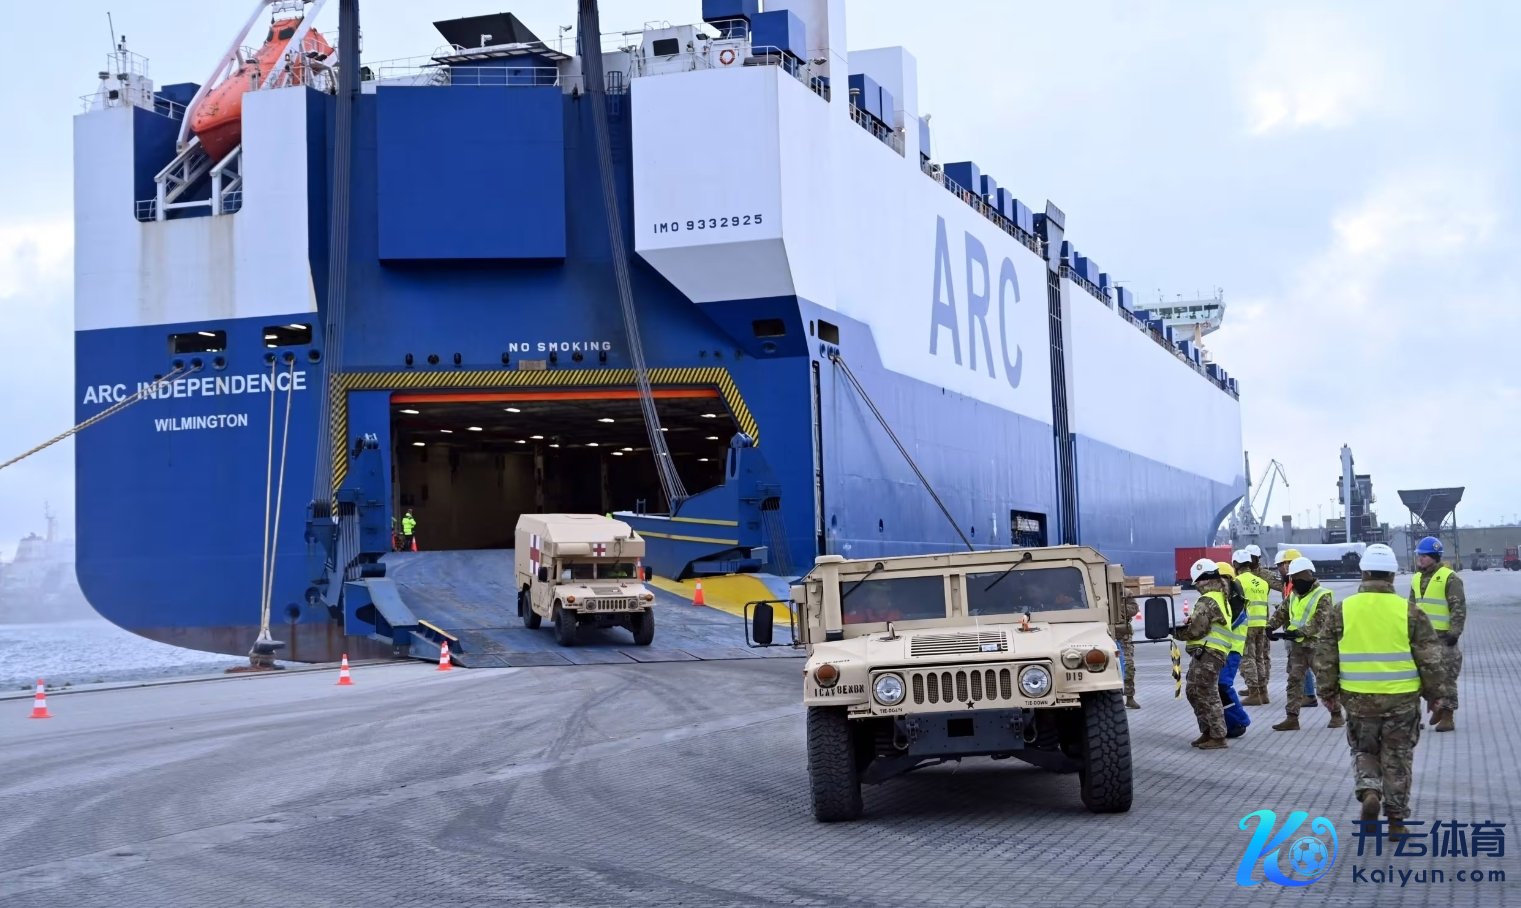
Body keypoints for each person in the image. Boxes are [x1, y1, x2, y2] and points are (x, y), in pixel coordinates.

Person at [1313, 543, 1445, 840]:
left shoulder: (1342, 609)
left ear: (1364, 573)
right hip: (1402, 700)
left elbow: (1324, 655)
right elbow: (1431, 658)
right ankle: (1396, 821)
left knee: (1365, 750)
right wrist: (1437, 696)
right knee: (1398, 759)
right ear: (1393, 576)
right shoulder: (1409, 611)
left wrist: (1327, 691)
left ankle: (1369, 791)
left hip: (1358, 700)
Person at [1173, 558, 1243, 749]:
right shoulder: (1220, 596)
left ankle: (1218, 735)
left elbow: (1197, 629)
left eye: (1196, 583)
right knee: (1194, 691)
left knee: (1207, 692)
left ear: (1203, 580)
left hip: (1209, 654)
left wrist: (1175, 631)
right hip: (1207, 653)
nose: (1195, 587)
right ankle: (1208, 731)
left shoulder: (1209, 599)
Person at [1267, 556, 1343, 730]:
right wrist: (1270, 626)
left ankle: (1336, 714)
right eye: (1294, 578)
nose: (1295, 582)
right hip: (1298, 647)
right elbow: (1282, 612)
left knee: (1325, 683)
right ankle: (1292, 718)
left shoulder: (1322, 595)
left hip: (1317, 647)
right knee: (1294, 682)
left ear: (1307, 576)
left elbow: (1320, 620)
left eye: (1298, 578)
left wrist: (1299, 632)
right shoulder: (1294, 595)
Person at [1408, 536, 1465, 732]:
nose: (1420, 559)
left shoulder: (1450, 578)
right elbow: (1410, 607)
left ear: (1434, 557)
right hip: (1422, 638)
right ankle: (1436, 707)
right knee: (1421, 678)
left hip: (1444, 638)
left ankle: (1447, 716)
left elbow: (1458, 606)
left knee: (1447, 677)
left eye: (1424, 556)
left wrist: (1454, 633)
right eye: (1419, 556)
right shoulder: (1416, 578)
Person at [1275, 548, 1317, 707]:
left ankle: (1308, 694)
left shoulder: (1297, 583)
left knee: (1303, 666)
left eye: (1283, 564)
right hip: (1293, 631)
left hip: (1303, 634)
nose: (1281, 568)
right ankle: (1306, 695)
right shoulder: (1289, 582)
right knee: (1298, 667)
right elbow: (1287, 608)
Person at [1216, 560, 1252, 737]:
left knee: (1223, 685)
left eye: (1221, 578)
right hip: (1223, 651)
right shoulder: (1226, 599)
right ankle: (1228, 723)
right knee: (1218, 687)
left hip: (1231, 651)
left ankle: (1240, 720)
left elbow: (1227, 624)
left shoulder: (1235, 602)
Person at [1235, 549, 1274, 705]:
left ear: (1236, 564)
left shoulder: (1237, 582)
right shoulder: (1263, 583)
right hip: (1261, 624)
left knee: (1247, 658)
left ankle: (1253, 693)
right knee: (1259, 658)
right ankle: (1263, 692)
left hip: (1246, 624)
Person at [1112, 594, 1141, 709]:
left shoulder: (1124, 592)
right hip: (1102, 634)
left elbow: (1134, 609)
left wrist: (1116, 608)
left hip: (1122, 636)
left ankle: (1129, 697)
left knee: (1128, 665)